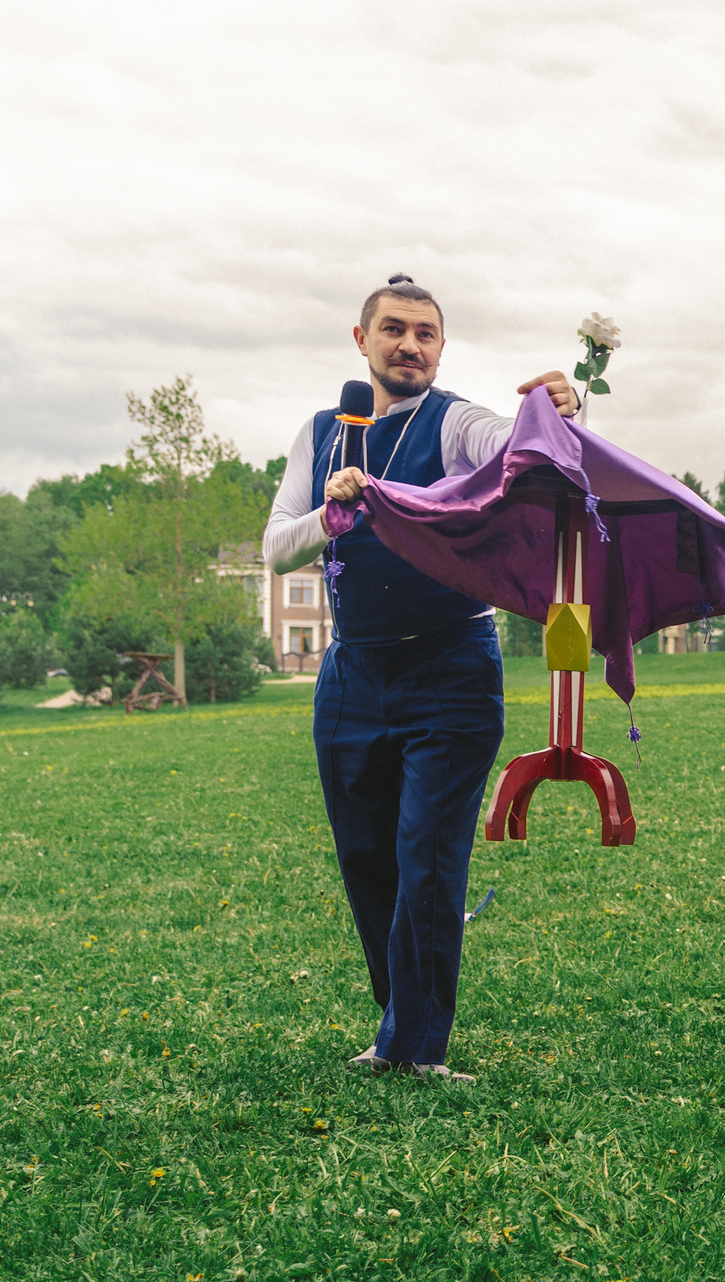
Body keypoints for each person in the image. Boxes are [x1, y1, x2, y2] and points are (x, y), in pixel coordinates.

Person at [262, 274, 580, 1080]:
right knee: (367, 857)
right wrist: (331, 512)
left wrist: (558, 414)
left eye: (426, 333)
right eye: (395, 329)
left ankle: (417, 1047)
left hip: (450, 668)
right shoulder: (323, 432)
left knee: (427, 858)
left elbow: (519, 452)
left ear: (441, 348)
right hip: (351, 674)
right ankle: (399, 1017)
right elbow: (275, 550)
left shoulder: (458, 421)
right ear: (361, 340)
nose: (410, 344)